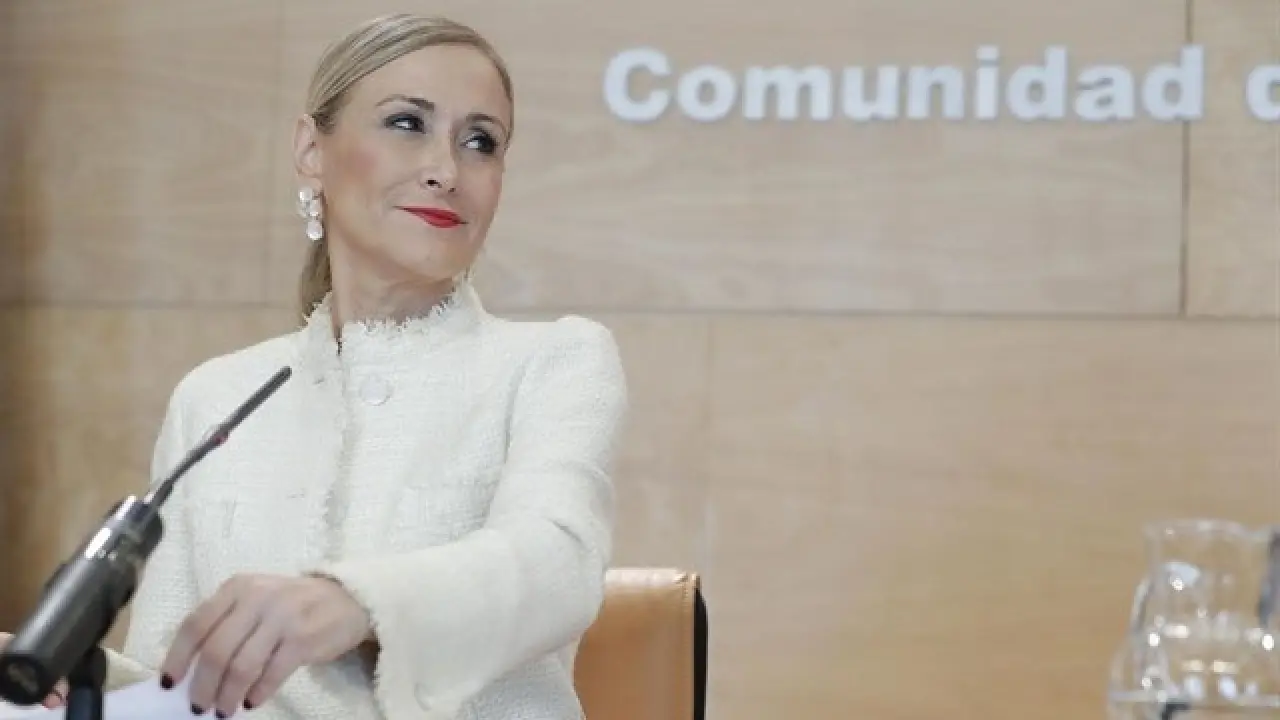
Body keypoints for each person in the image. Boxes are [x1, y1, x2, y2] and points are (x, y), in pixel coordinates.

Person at [1, 12, 628, 720]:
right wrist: (72, 677)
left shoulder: (556, 360)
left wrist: (353, 603)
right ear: (310, 150)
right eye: (407, 124)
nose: (446, 170)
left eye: (480, 141)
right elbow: (176, 688)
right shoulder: (218, 397)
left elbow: (557, 562)